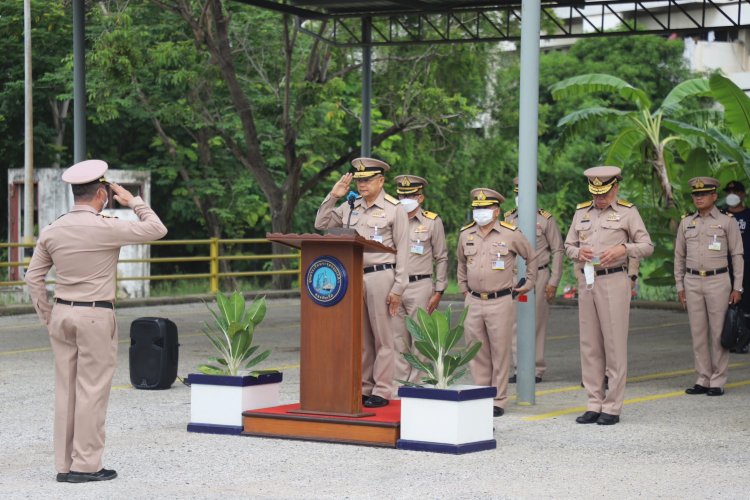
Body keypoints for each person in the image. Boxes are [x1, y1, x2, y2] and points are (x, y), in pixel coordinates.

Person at [24, 160, 168, 483]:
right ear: (102, 193)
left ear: (75, 194)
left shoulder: (52, 229)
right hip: (95, 315)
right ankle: (86, 465)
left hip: (61, 313)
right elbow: (158, 229)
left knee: (67, 390)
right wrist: (134, 202)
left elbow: (33, 278)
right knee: (91, 390)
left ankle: (64, 464)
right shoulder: (107, 227)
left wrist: (47, 316)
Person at [314, 158, 409, 408]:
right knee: (363, 338)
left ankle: (383, 389)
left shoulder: (394, 208)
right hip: (354, 275)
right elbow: (321, 224)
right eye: (359, 180)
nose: (362, 184)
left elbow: (404, 251)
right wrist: (333, 196)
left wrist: (398, 288)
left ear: (381, 180)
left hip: (381, 275)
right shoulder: (351, 205)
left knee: (384, 337)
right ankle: (365, 387)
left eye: (367, 180)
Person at [564, 166, 653, 426]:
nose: (599, 198)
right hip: (587, 280)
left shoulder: (628, 212)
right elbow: (568, 244)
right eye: (595, 193)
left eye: (604, 193)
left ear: (615, 188)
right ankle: (593, 402)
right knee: (590, 345)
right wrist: (576, 253)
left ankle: (612, 406)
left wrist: (623, 249)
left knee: (614, 345)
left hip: (615, 279)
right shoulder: (581, 212)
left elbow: (647, 246)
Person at [457, 188, 536, 417]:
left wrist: (529, 281)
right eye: (477, 208)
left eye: (485, 208)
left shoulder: (510, 233)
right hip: (473, 299)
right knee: (475, 350)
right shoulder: (466, 234)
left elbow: (531, 256)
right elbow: (461, 263)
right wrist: (463, 288)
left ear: (496, 210)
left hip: (499, 300)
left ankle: (498, 400)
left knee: (500, 351)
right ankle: (481, 395)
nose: (480, 212)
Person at [675, 177, 743, 396]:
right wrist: (680, 287)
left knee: (717, 333)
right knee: (698, 332)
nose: (699, 198)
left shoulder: (727, 221)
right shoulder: (686, 222)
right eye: (696, 194)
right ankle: (703, 377)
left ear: (714, 196)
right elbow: (679, 257)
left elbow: (737, 255)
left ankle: (717, 380)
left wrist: (738, 287)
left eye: (704, 194)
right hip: (692, 281)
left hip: (718, 281)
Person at [505, 177, 564, 383]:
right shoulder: (508, 219)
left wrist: (554, 281)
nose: (520, 197)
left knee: (536, 322)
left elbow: (557, 250)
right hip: (514, 276)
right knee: (513, 322)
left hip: (539, 275)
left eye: (525, 194)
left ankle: (536, 368)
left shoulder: (545, 220)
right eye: (517, 193)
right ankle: (518, 368)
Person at [392, 175, 449, 383]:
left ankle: (420, 384)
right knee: (397, 339)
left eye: (409, 195)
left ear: (420, 197)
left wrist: (439, 290)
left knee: (420, 339)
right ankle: (399, 385)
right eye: (401, 195)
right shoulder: (391, 220)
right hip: (395, 286)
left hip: (420, 286)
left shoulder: (432, 222)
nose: (404, 199)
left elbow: (441, 257)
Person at [723, 180, 750, 337]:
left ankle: (746, 333)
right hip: (725, 265)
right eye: (728, 192)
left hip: (747, 264)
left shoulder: (748, 215)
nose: (731, 195)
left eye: (736, 192)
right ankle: (730, 333)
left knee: (746, 299)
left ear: (743, 195)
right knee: (726, 300)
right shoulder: (721, 215)